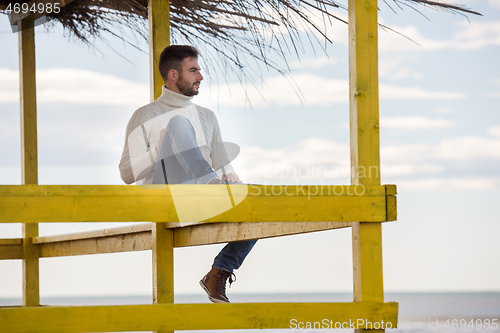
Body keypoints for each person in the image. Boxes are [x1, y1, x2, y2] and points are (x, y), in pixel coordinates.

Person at [119, 45, 257, 303]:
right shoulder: (144, 115)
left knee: (255, 204)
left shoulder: (207, 117)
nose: (200, 77)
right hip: (163, 199)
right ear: (173, 74)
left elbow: (222, 163)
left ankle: (220, 271)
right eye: (193, 70)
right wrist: (157, 150)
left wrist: (230, 177)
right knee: (178, 123)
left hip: (199, 197)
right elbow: (126, 173)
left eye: (199, 70)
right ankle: (210, 186)